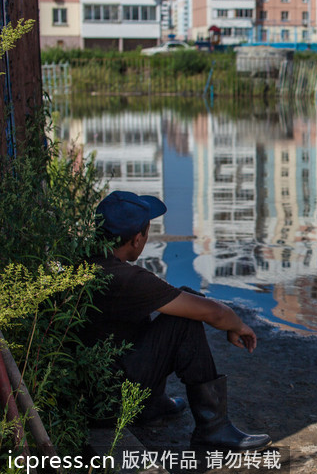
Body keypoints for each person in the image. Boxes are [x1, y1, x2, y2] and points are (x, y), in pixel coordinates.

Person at [82, 190, 270, 450]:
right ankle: (212, 428)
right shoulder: (126, 279)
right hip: (106, 406)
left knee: (173, 307)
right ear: (137, 239)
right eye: (147, 232)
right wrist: (238, 325)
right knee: (184, 320)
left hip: (88, 395)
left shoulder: (81, 261)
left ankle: (152, 405)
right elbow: (213, 313)